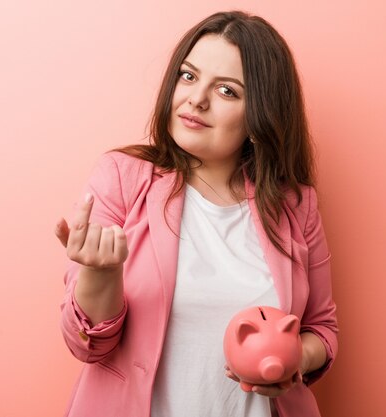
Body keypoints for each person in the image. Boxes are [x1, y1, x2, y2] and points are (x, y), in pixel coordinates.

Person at [54, 10, 338, 417]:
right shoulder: (122, 176)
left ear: (261, 115)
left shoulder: (296, 205)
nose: (196, 99)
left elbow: (322, 331)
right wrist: (101, 273)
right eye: (188, 76)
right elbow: (86, 344)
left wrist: (294, 360)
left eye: (227, 91)